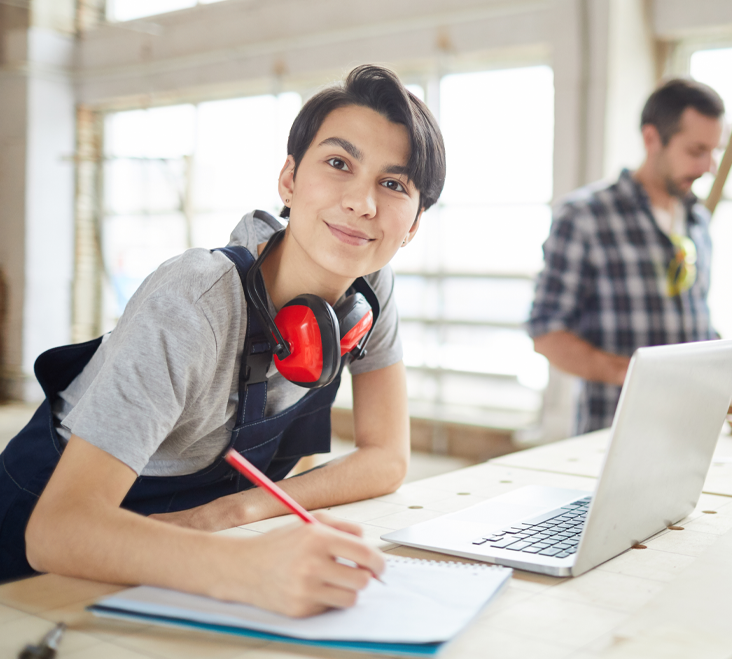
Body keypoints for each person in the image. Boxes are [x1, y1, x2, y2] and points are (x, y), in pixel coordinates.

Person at [0, 65, 446, 618]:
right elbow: (58, 531)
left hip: (188, 544)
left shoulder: (370, 288)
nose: (363, 203)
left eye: (393, 184)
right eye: (338, 164)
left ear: (414, 225)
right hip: (38, 550)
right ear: (288, 180)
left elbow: (387, 458)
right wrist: (247, 566)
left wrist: (235, 514)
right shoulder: (196, 299)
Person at [528, 78, 724, 434]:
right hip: (614, 431)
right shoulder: (585, 216)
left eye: (714, 152)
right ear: (652, 139)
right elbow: (546, 332)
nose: (708, 166)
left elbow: (695, 322)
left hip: (691, 428)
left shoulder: (698, 220)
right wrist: (633, 374)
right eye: (696, 151)